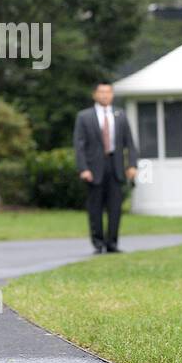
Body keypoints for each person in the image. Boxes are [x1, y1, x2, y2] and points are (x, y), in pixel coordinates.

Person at [73, 81, 137, 254]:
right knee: (95, 208)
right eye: (101, 92)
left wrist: (131, 164)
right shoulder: (84, 117)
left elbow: (129, 143)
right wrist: (83, 168)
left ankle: (112, 243)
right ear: (95, 94)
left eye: (108, 92)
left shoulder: (120, 115)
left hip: (115, 167)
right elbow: (79, 145)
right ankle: (98, 242)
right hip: (94, 168)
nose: (105, 95)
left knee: (115, 207)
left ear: (112, 94)